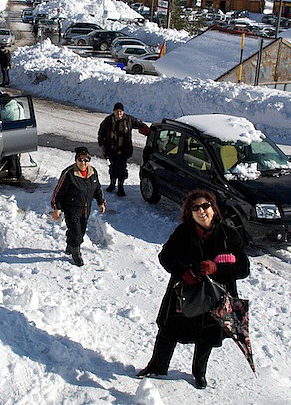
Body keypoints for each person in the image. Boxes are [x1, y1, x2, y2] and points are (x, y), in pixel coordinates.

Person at [136, 190, 250, 388]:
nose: (201, 211)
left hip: (216, 296)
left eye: (205, 205)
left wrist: (217, 268)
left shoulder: (228, 235)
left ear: (213, 208)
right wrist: (184, 272)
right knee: (168, 330)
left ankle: (199, 373)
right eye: (195, 208)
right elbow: (165, 257)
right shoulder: (183, 232)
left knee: (206, 336)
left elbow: (243, 268)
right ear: (190, 213)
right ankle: (157, 366)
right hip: (185, 293)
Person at [50, 146, 106, 267]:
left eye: (86, 160)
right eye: (80, 160)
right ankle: (76, 254)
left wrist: (101, 202)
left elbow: (97, 189)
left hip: (86, 208)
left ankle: (70, 246)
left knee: (81, 231)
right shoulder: (68, 173)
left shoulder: (92, 172)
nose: (83, 163)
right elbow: (58, 192)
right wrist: (56, 209)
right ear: (76, 160)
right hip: (71, 208)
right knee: (76, 233)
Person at [97, 103, 149, 196]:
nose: (119, 113)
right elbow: (101, 134)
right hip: (111, 150)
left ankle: (120, 187)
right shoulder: (108, 121)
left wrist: (147, 130)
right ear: (114, 112)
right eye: (117, 111)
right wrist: (102, 145)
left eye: (120, 111)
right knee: (113, 167)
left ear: (123, 112)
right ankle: (112, 184)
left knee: (121, 169)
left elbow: (139, 124)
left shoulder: (128, 119)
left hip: (123, 151)